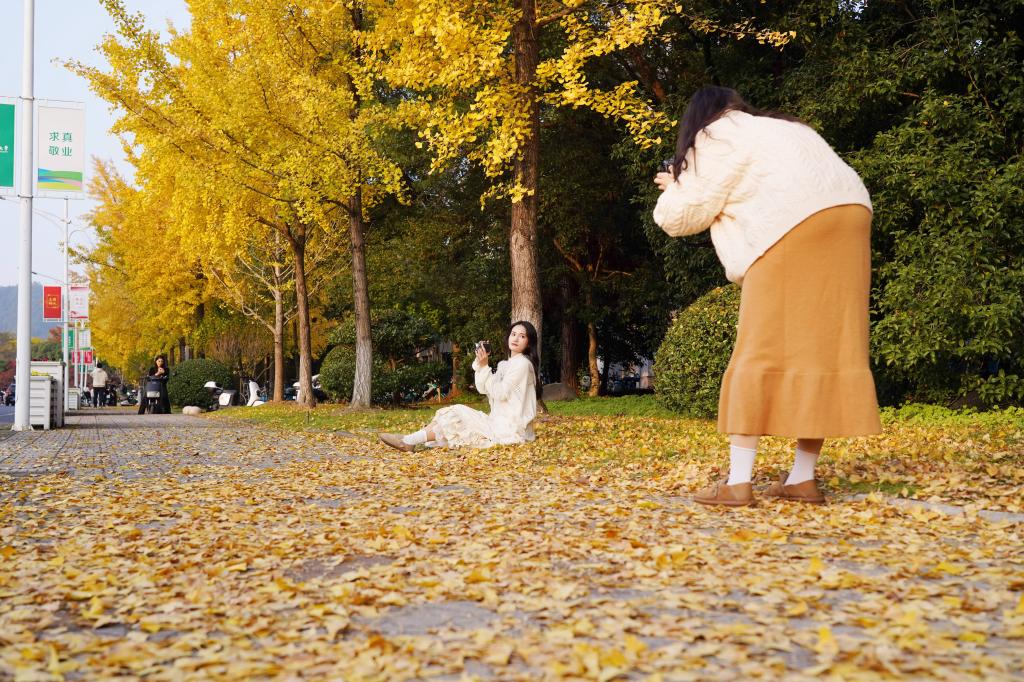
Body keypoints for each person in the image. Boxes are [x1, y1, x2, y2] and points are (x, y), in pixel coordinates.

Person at [652, 86, 881, 507]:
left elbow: (682, 216)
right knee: (824, 350)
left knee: (758, 347)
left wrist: (674, 187)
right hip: (851, 218)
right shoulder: (786, 127)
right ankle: (802, 478)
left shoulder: (716, 133)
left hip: (792, 224)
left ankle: (738, 483)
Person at [378, 321, 541, 451]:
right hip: (495, 421)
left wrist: (485, 367)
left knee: (456, 413)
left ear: (528, 343)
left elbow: (500, 393)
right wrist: (481, 364)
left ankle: (408, 440)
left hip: (509, 429)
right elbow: (483, 388)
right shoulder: (505, 364)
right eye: (513, 334)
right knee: (454, 417)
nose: (515, 339)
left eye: (522, 336)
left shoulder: (522, 364)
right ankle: (409, 440)